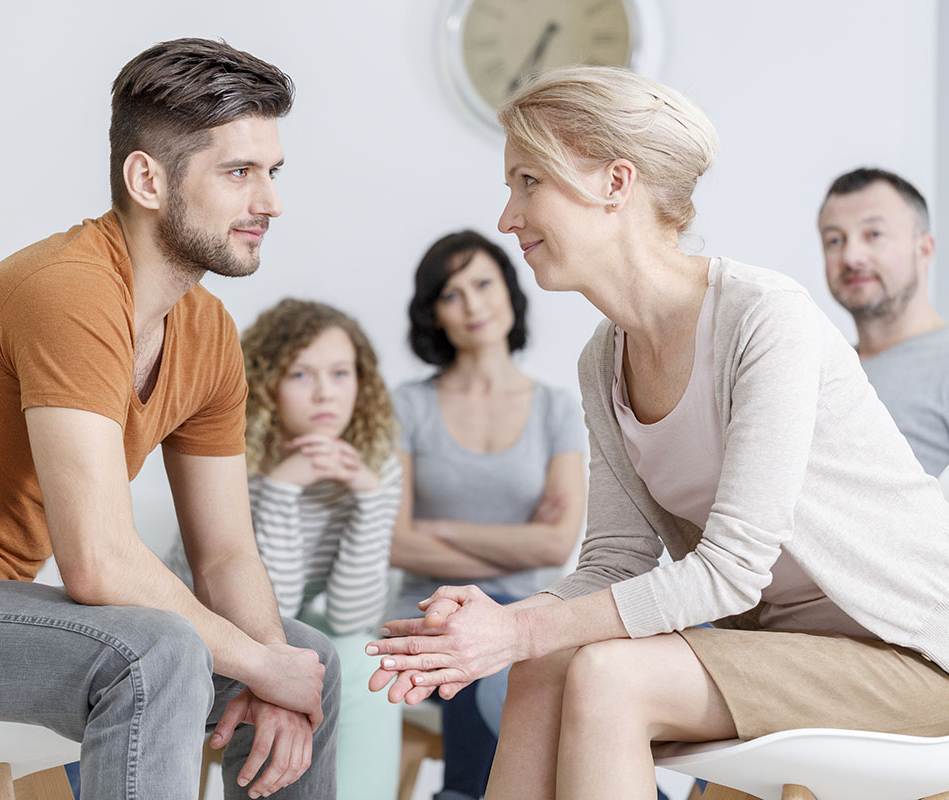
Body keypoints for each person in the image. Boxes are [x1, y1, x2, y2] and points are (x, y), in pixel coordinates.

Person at [365, 66, 949, 800]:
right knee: (547, 662)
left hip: (915, 657)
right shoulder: (602, 359)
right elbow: (612, 561)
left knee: (609, 673)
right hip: (776, 655)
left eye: (528, 181)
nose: (508, 216)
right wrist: (505, 626)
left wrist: (515, 631)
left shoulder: (768, 318)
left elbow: (734, 568)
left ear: (616, 183)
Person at [0, 39, 339, 800]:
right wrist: (257, 662)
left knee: (313, 664)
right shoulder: (70, 292)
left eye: (272, 173)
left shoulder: (207, 334)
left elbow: (226, 557)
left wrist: (276, 668)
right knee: (157, 654)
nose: (271, 201)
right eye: (239, 172)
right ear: (147, 178)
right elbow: (99, 564)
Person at [389, 230, 586, 800]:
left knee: (522, 657)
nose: (472, 304)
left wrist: (439, 527)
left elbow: (555, 547)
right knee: (476, 646)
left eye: (482, 283)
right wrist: (518, 537)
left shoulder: (555, 409)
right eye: (451, 294)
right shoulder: (409, 405)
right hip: (426, 615)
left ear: (509, 289)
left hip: (522, 619)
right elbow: (395, 542)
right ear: (434, 315)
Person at [237, 298, 403, 799]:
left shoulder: (376, 467)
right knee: (305, 660)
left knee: (370, 660)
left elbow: (352, 616)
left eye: (340, 373)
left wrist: (369, 500)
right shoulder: (235, 462)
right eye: (301, 376)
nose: (326, 393)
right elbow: (272, 615)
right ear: (268, 385)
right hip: (228, 626)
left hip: (306, 628)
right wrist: (283, 490)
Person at [818, 167, 949, 476]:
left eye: (873, 235)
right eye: (835, 240)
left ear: (924, 250)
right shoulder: (821, 370)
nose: (851, 256)